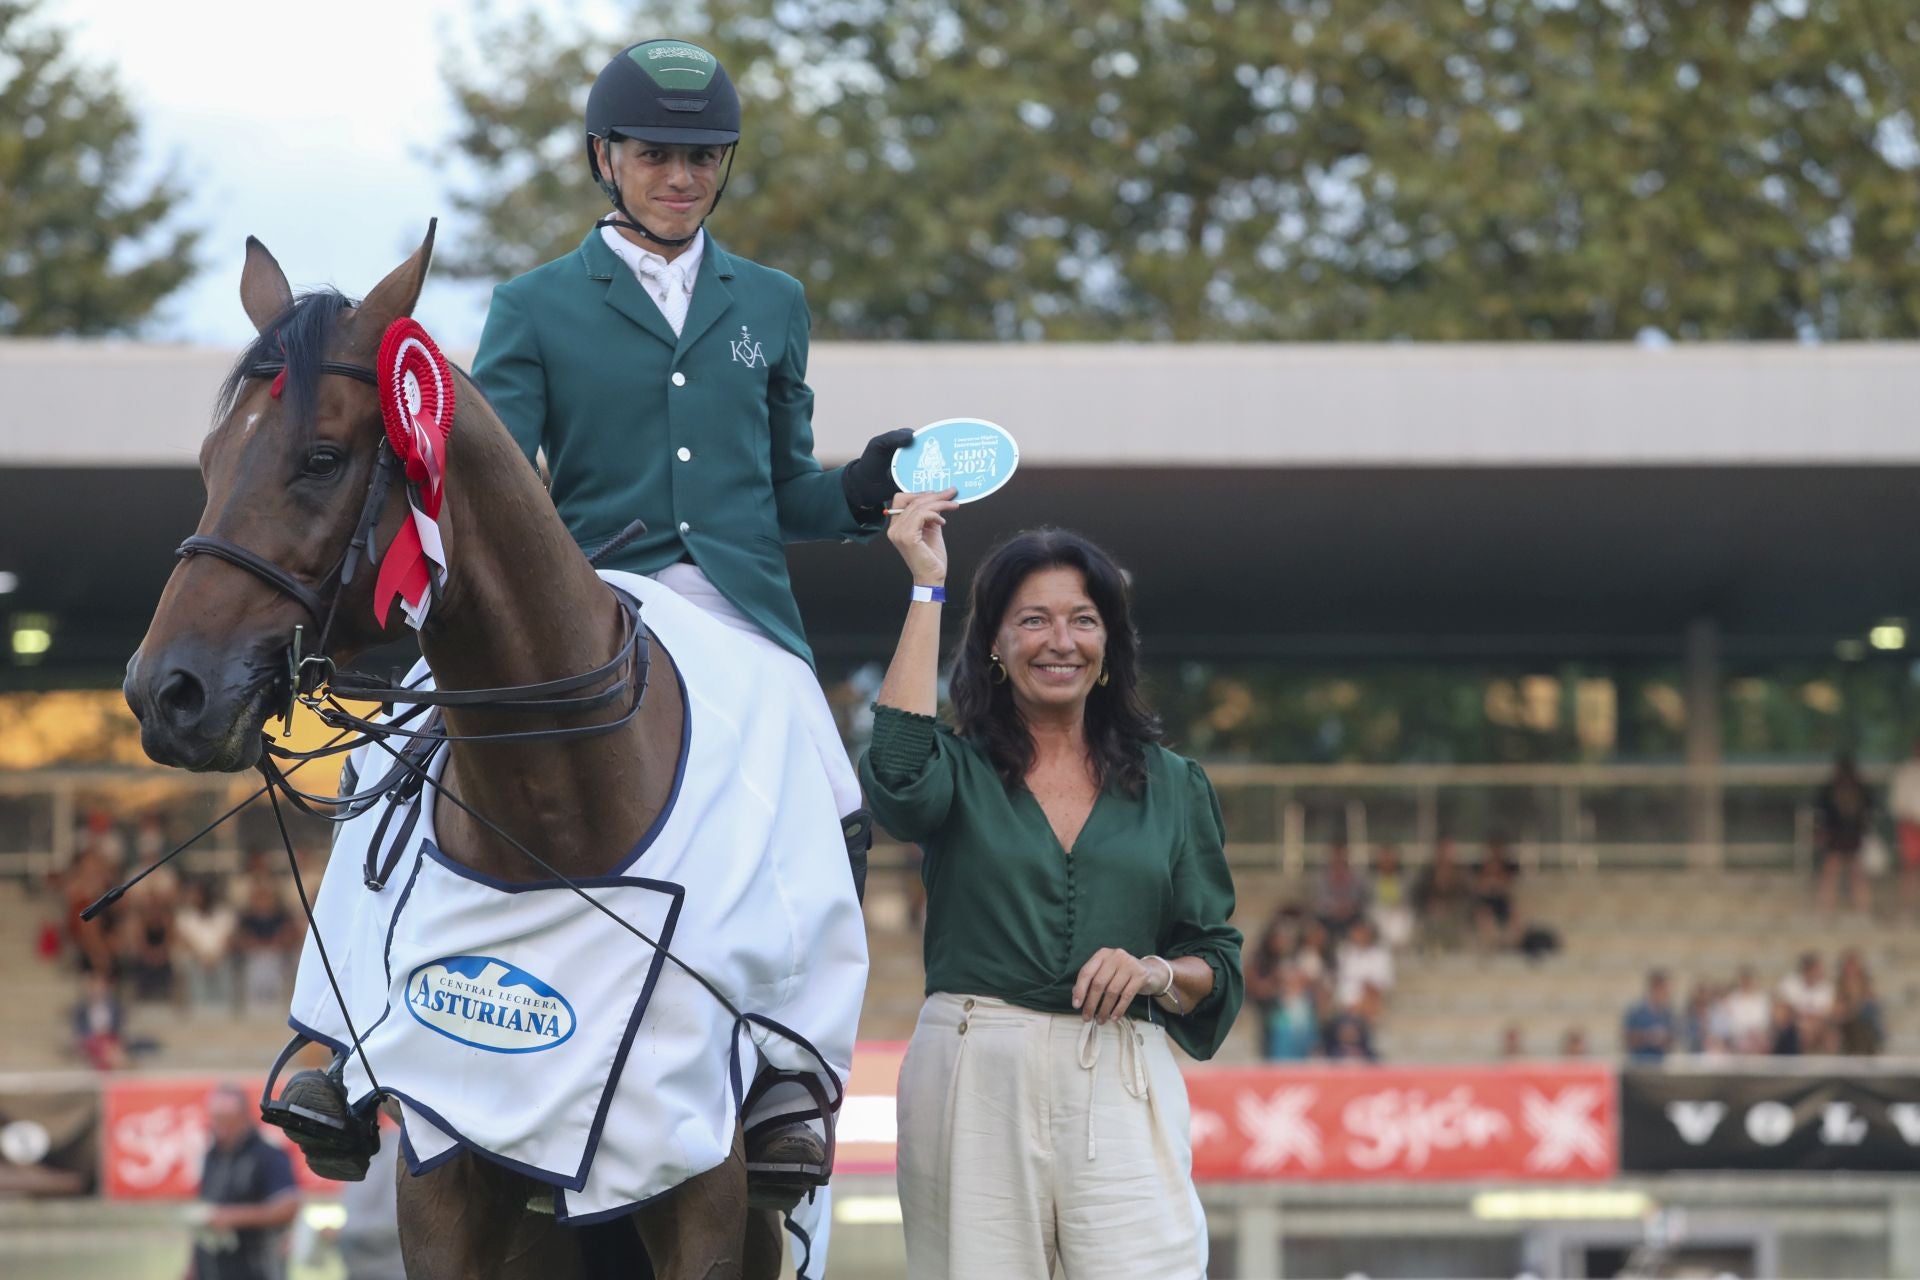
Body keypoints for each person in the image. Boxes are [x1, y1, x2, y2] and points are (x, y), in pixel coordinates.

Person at [470, 41, 905, 1211]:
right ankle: (339, 1040)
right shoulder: (534, 305)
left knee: (836, 801)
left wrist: (862, 490)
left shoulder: (770, 302)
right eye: (657, 154)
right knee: (389, 766)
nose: (681, 176)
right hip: (598, 597)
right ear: (606, 158)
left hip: (739, 607)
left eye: (703, 156)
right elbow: (503, 487)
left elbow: (783, 489)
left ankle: (785, 1077)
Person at [862, 504, 1242, 1280]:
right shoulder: (956, 770)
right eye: (1032, 620)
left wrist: (1156, 973)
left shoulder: (1174, 786)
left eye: (1084, 620)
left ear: (1110, 644)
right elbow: (896, 777)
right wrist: (927, 587)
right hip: (974, 1072)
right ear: (995, 644)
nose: (1061, 641)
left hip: (1122, 1069)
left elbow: (1218, 962)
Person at [188, 1083, 300, 1280]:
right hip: (212, 1269)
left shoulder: (268, 1155)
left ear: (244, 1118)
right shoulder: (212, 1156)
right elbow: (206, 1215)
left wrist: (232, 1216)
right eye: (216, 1119)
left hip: (256, 1268)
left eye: (226, 1120)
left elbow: (288, 1207)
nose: (218, 1127)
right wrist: (191, 1270)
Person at [1814, 751, 1873, 914]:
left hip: (1837, 837)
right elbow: (1868, 813)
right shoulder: (1860, 789)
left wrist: (1822, 832)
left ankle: (1826, 909)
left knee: (1832, 876)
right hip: (1852, 837)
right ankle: (1862, 909)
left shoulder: (1830, 790)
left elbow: (1822, 814)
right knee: (1855, 876)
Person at [1622, 969, 1678, 1062]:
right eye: (1663, 990)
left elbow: (1673, 1038)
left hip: (1660, 1063)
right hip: (1639, 1063)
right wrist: (1648, 1037)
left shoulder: (1667, 1013)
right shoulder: (1636, 1012)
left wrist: (1664, 1038)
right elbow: (1627, 1038)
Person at [1892, 737, 1920, 915]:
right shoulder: (1906, 772)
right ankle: (1908, 909)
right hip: (1910, 825)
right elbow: (1898, 804)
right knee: (1909, 869)